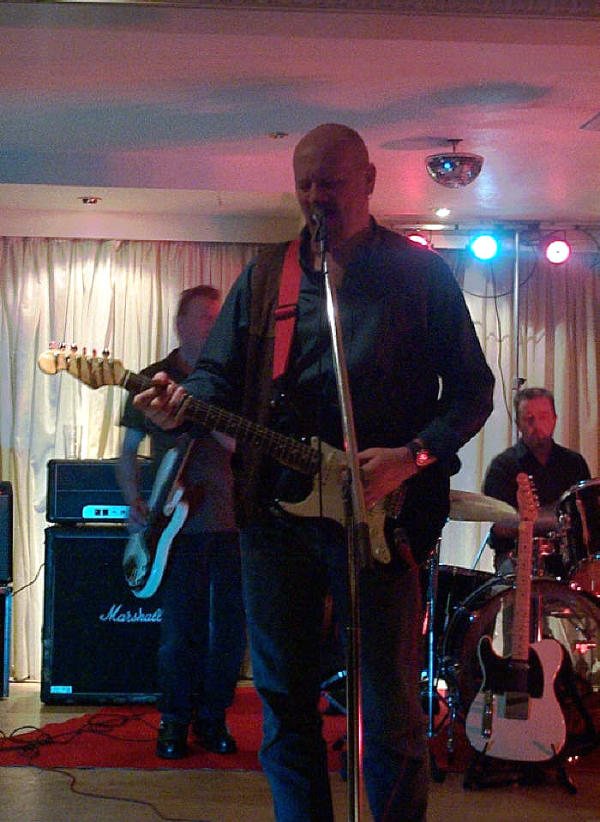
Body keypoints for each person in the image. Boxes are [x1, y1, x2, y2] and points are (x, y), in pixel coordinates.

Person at [131, 123, 494, 820]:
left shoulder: (420, 275)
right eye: (305, 184)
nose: (316, 196)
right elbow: (215, 377)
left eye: (331, 182)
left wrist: (412, 456)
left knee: (389, 709)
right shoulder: (268, 275)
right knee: (284, 703)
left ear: (369, 180)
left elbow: (473, 391)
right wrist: (181, 406)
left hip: (381, 521)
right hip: (275, 517)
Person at [117, 285, 246, 760]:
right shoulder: (152, 378)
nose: (213, 326)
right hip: (173, 529)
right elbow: (127, 453)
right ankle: (173, 720)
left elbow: (239, 446)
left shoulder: (233, 382)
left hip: (233, 522)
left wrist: (201, 410)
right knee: (179, 629)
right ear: (180, 323)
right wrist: (133, 502)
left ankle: (213, 718)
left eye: (217, 317)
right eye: (204, 317)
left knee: (229, 630)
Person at [483, 386, 591, 576]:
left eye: (543, 417)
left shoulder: (574, 463)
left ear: (554, 419)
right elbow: (502, 526)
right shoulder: (503, 466)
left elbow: (587, 515)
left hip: (568, 559)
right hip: (516, 557)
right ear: (518, 423)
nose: (537, 425)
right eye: (529, 418)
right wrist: (559, 520)